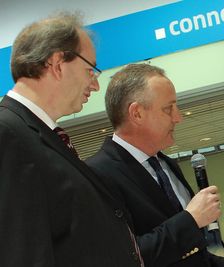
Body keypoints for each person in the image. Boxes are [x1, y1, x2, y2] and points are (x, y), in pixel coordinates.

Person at [0, 12, 142, 267]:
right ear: (56, 64)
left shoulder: (40, 135)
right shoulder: (7, 134)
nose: (95, 85)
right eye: (90, 70)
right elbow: (20, 252)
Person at [86, 63, 224, 267]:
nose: (178, 117)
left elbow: (193, 255)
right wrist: (190, 220)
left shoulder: (167, 165)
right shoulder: (96, 175)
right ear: (136, 113)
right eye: (168, 108)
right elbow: (123, 257)